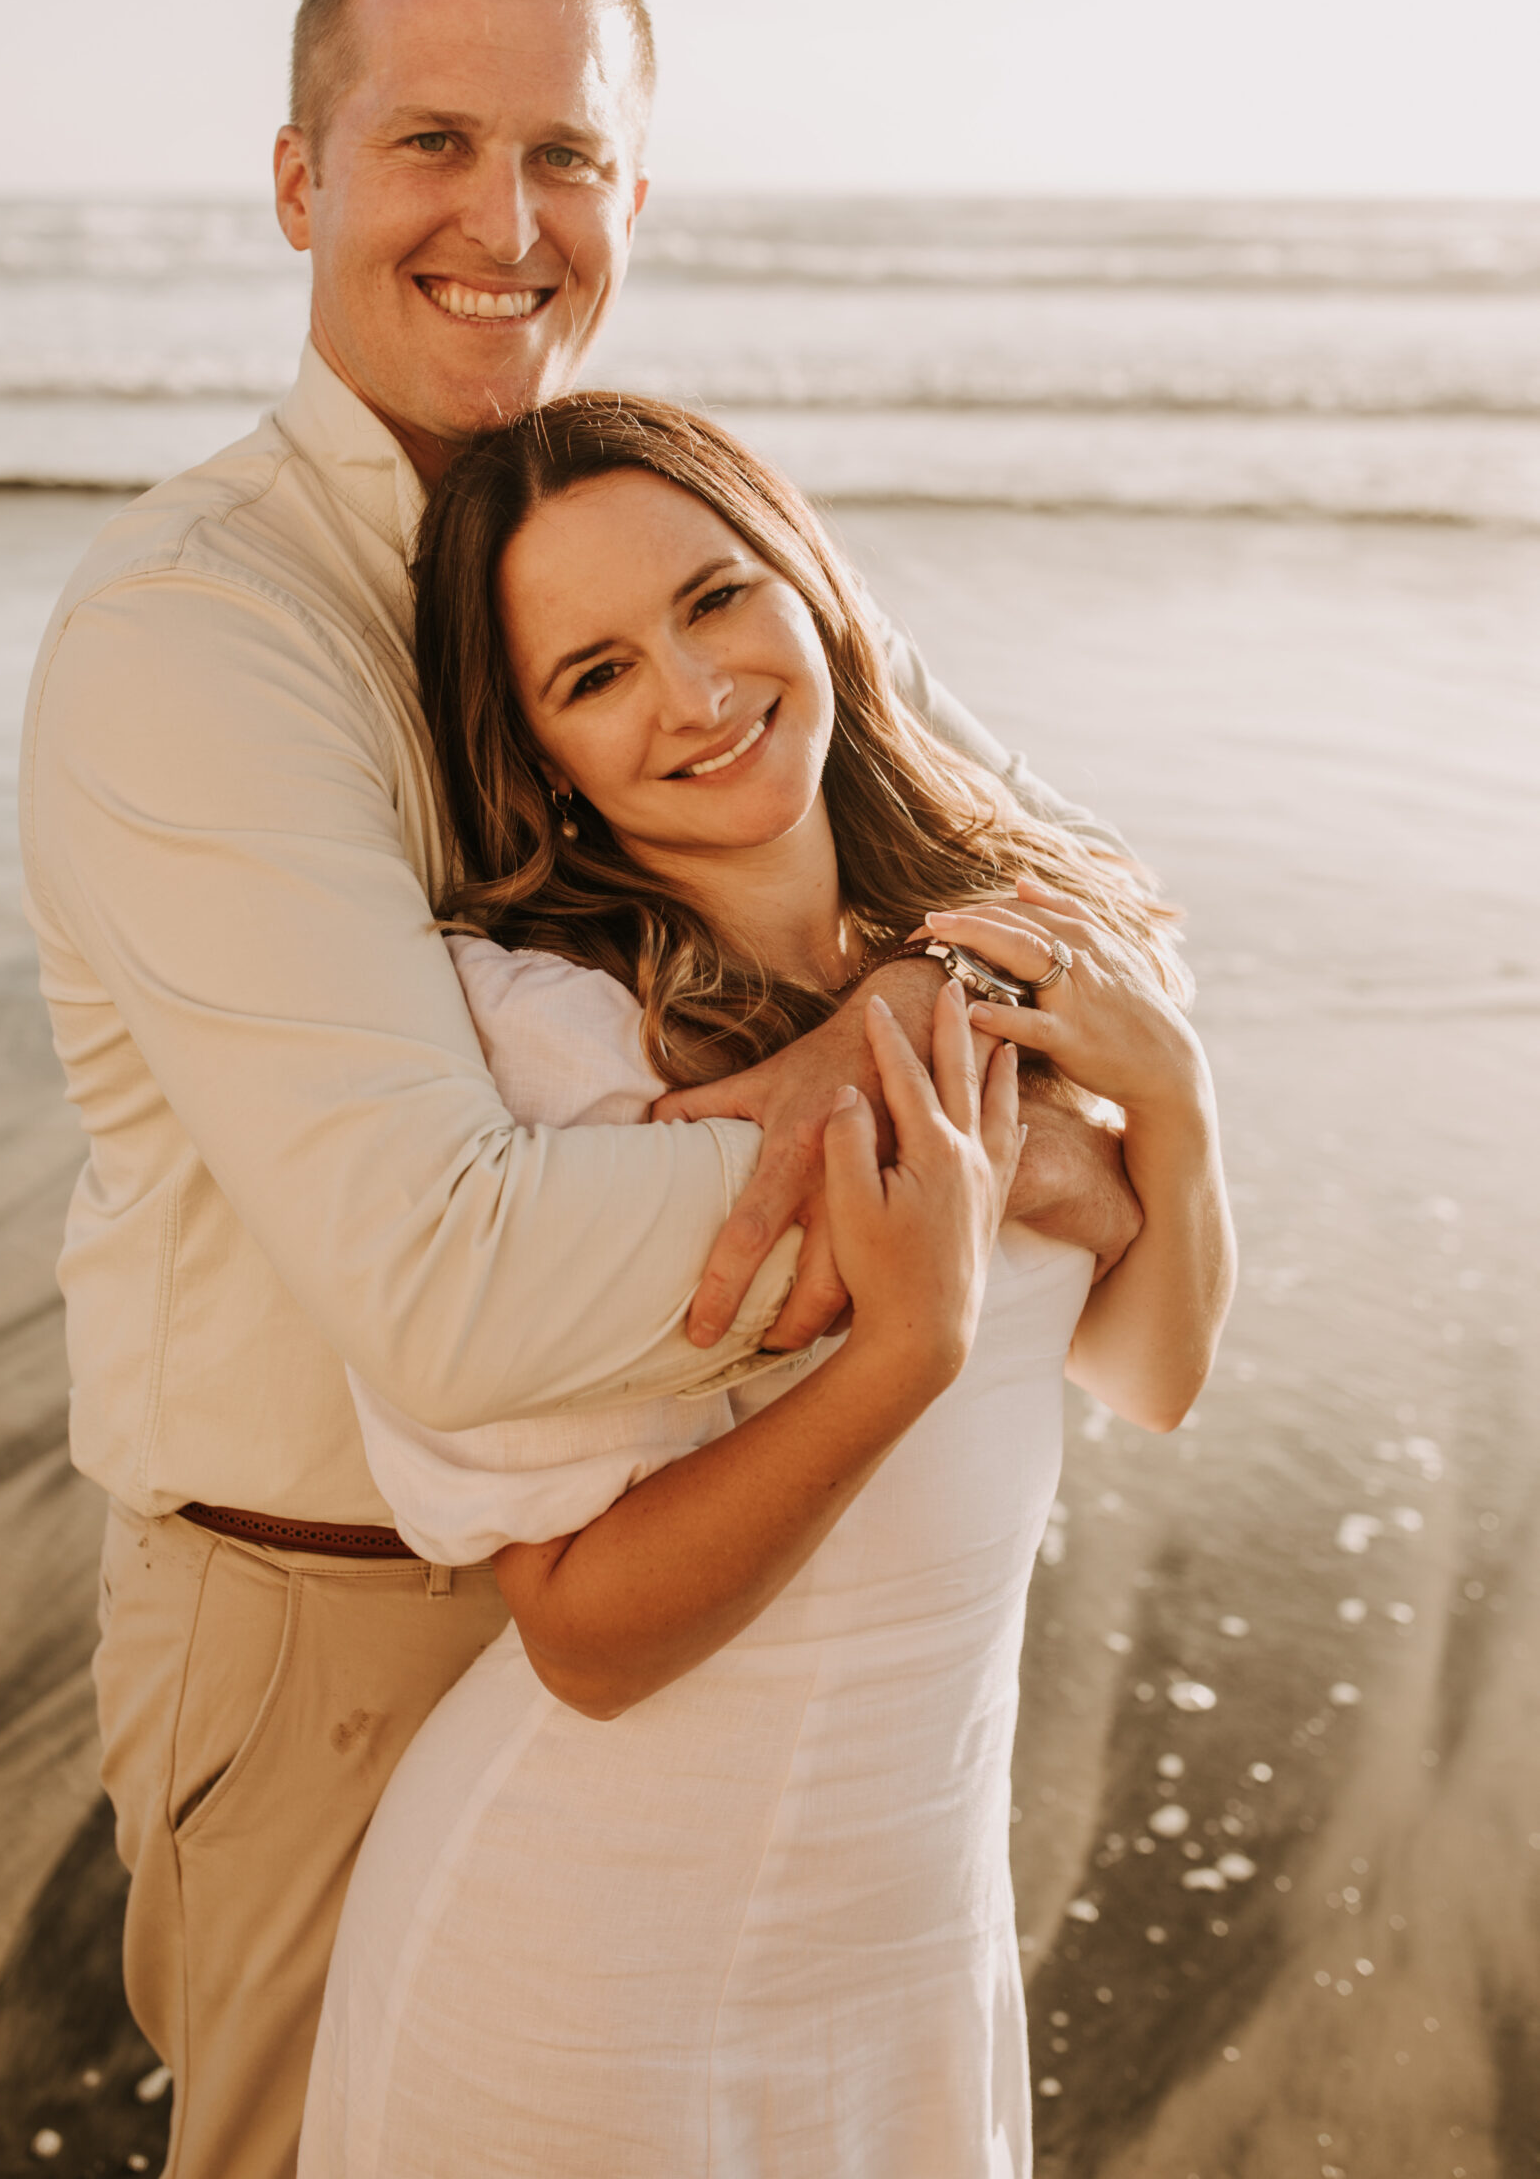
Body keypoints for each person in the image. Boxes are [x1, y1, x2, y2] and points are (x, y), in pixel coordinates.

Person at [20, 0, 1141, 2179]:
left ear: (630, 188)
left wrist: (1006, 1026)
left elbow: (1084, 920)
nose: (500, 217)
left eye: (564, 153)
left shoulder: (642, 532)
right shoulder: (192, 630)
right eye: (429, 139)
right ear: (297, 176)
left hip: (731, 1605)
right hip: (337, 1624)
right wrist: (936, 1093)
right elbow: (446, 1273)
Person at [298, 396, 1235, 2177]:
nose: (696, 691)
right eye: (596, 674)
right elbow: (580, 1638)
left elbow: (1151, 1379)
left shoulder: (994, 928)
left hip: (907, 1909)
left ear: (812, 584)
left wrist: (1177, 1109)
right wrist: (906, 1349)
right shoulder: (550, 1038)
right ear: (542, 751)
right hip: (584, 1959)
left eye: (719, 598)